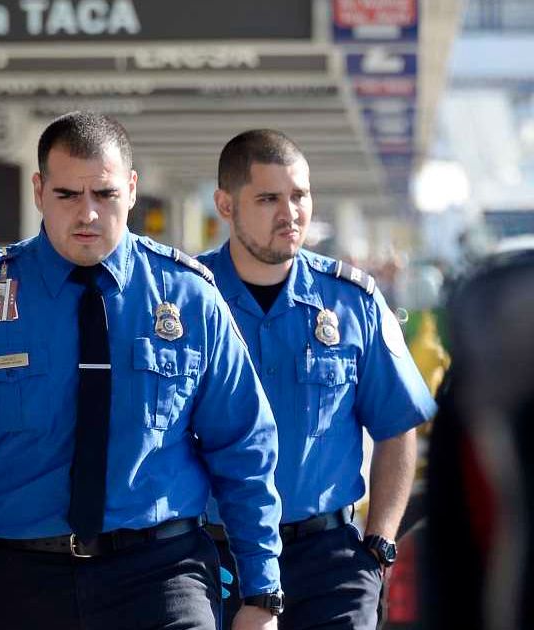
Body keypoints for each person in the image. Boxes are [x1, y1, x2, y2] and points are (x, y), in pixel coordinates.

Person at [0, 111, 285, 630]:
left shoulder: (188, 298)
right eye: (68, 196)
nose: (88, 214)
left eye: (104, 194)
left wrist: (262, 591)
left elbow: (244, 445)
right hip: (9, 576)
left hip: (159, 576)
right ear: (38, 190)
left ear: (132, 189)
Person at [198, 129, 436, 630]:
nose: (290, 213)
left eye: (299, 195)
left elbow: (396, 425)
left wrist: (379, 544)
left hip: (329, 559)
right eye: (268, 198)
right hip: (214, 558)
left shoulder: (353, 302)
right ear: (225, 204)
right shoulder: (186, 301)